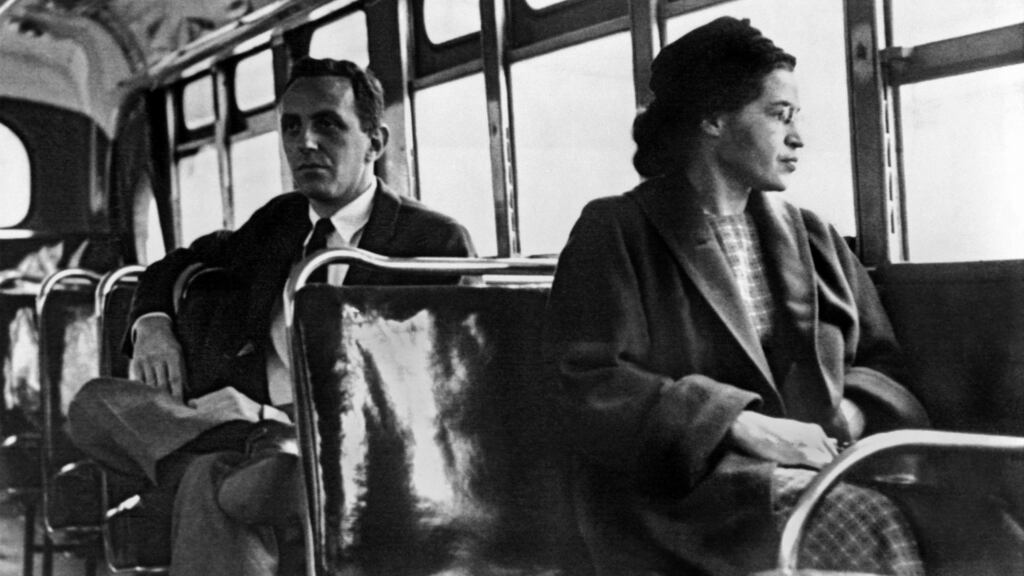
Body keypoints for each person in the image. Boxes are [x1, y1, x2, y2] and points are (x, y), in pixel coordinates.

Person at [544, 17, 930, 576]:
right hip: (684, 492)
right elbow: (588, 384)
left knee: (966, 510)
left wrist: (846, 416)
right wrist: (739, 425)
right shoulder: (616, 230)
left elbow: (881, 364)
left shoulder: (813, 235)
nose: (798, 137)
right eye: (779, 115)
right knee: (859, 518)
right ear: (713, 119)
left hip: (821, 461)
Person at [68, 57, 474, 575]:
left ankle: (250, 466)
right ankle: (258, 457)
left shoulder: (432, 241)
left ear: (375, 142)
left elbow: (443, 392)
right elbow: (177, 263)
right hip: (249, 428)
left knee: (206, 480)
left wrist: (300, 422)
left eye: (327, 124)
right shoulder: (278, 223)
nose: (306, 142)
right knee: (95, 405)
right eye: (292, 127)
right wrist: (152, 324)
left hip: (359, 443)